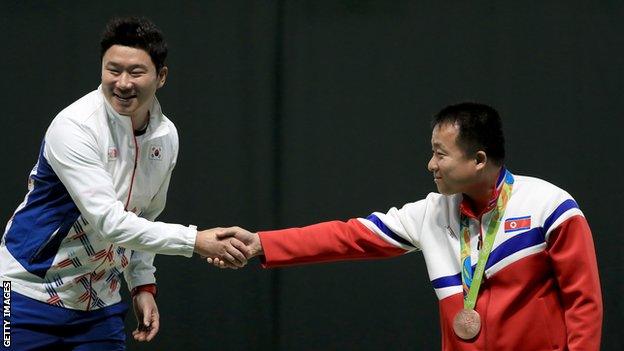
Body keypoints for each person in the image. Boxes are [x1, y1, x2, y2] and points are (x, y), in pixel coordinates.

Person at [210, 102, 603, 350]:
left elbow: (584, 303)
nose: (430, 165)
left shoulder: (549, 206)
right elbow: (349, 236)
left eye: (440, 154)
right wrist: (262, 243)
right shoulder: (432, 212)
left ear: (479, 159)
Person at [0, 16, 249, 350]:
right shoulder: (75, 127)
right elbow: (111, 223)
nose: (122, 83)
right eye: (112, 70)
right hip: (27, 294)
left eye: (136, 72)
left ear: (161, 77)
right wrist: (195, 240)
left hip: (99, 304)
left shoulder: (166, 136)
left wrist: (142, 284)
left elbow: (145, 215)